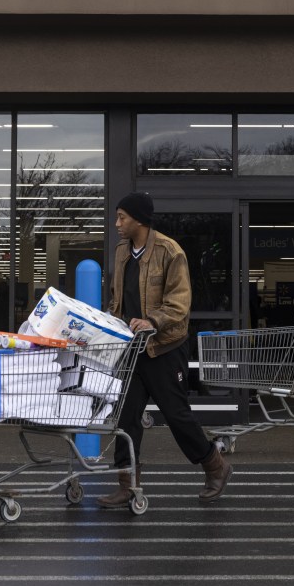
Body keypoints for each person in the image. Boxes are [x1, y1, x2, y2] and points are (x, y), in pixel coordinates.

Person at [97, 192, 233, 507]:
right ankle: (127, 483)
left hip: (164, 347)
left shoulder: (170, 252)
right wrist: (108, 323)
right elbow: (119, 301)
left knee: (176, 414)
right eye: (117, 217)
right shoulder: (121, 253)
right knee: (125, 416)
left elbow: (179, 303)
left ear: (140, 220)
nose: (117, 224)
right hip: (133, 351)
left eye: (123, 218)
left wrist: (151, 321)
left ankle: (215, 465)